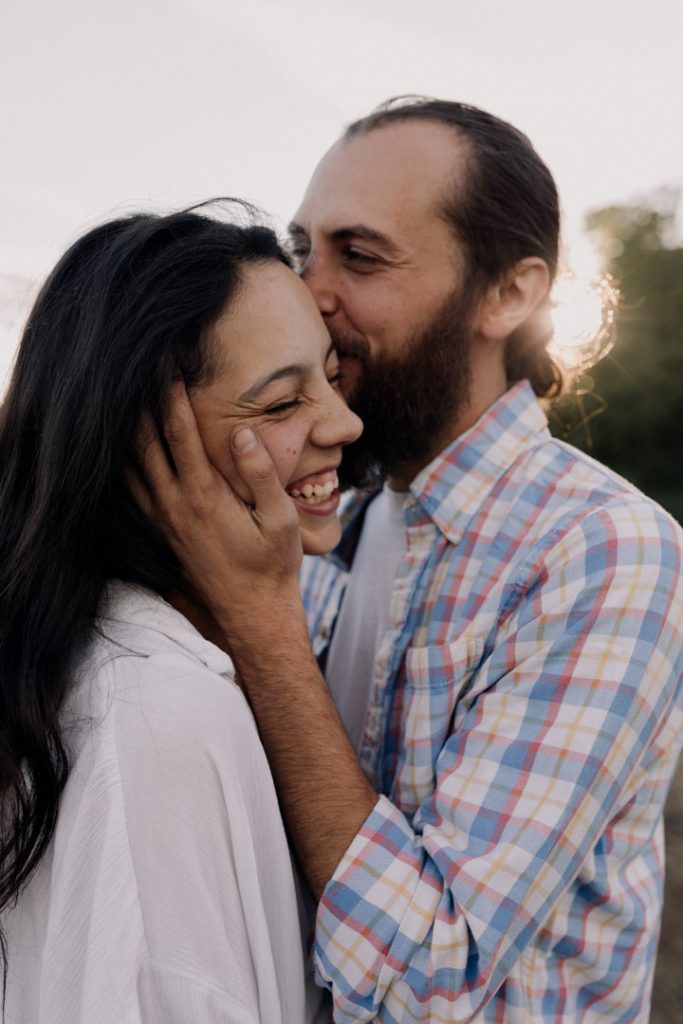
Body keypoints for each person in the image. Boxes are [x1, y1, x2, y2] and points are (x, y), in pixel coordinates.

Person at [137, 99, 683, 1023]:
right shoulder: (318, 511)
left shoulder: (600, 549)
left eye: (361, 256)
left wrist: (259, 622)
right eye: (302, 248)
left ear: (507, 294)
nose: (309, 289)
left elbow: (435, 975)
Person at [0, 204, 361, 1024]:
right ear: (146, 442)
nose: (344, 424)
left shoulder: (102, 659)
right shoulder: (155, 714)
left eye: (331, 377)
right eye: (279, 406)